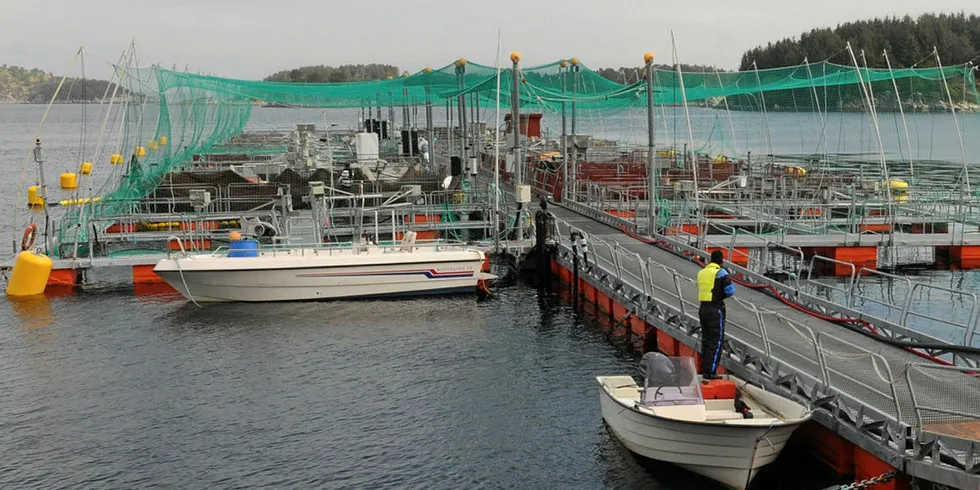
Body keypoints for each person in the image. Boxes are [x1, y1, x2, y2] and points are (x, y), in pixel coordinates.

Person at [697, 250, 735, 379]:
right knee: (716, 341)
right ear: (721, 260)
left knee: (706, 340)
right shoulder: (721, 272)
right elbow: (730, 291)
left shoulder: (702, 273)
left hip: (703, 308)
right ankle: (711, 372)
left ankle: (705, 368)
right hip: (715, 310)